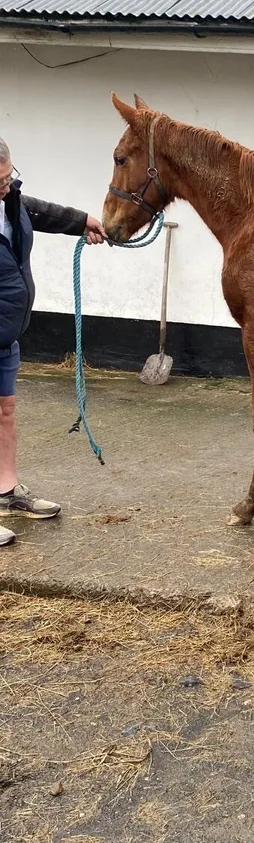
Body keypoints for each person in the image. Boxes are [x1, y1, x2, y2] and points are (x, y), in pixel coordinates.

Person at [0, 136, 106, 547]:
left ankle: (6, 492)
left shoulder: (10, 200)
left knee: (5, 411)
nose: (6, 185)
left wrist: (83, 221)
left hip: (7, 334)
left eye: (10, 176)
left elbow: (37, 211)